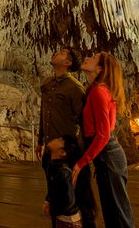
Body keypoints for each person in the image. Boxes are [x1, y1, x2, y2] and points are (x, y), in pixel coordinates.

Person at [72, 52, 135, 228]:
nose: (87, 58)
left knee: (118, 212)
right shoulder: (96, 89)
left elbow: (103, 134)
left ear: (99, 69)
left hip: (108, 154)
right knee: (112, 210)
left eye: (93, 58)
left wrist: (81, 163)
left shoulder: (99, 92)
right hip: (105, 156)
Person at [37, 47, 96, 228]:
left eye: (61, 52)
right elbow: (43, 113)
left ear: (68, 63)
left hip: (69, 152)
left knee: (78, 199)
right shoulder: (48, 83)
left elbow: (84, 121)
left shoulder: (75, 88)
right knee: (55, 197)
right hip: (51, 149)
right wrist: (40, 141)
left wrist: (83, 156)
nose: (55, 52)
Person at [43, 135, 83, 228]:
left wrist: (52, 210)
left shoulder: (64, 173)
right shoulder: (54, 167)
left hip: (69, 222)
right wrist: (47, 201)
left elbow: (69, 201)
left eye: (60, 140)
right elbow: (53, 189)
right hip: (62, 219)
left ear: (62, 153)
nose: (56, 138)